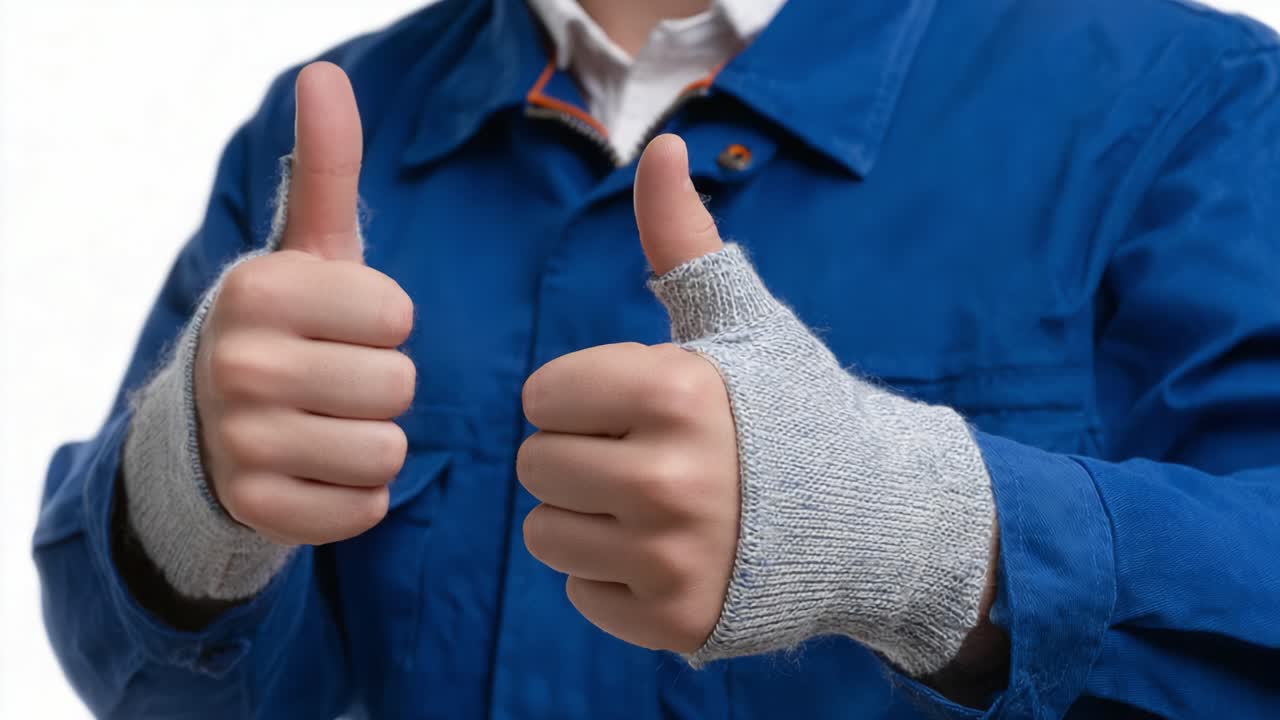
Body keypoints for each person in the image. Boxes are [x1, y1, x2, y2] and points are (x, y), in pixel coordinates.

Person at [33, 0, 1280, 717]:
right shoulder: (326, 123)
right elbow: (157, 685)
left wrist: (925, 534)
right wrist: (183, 506)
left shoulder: (1185, 101)